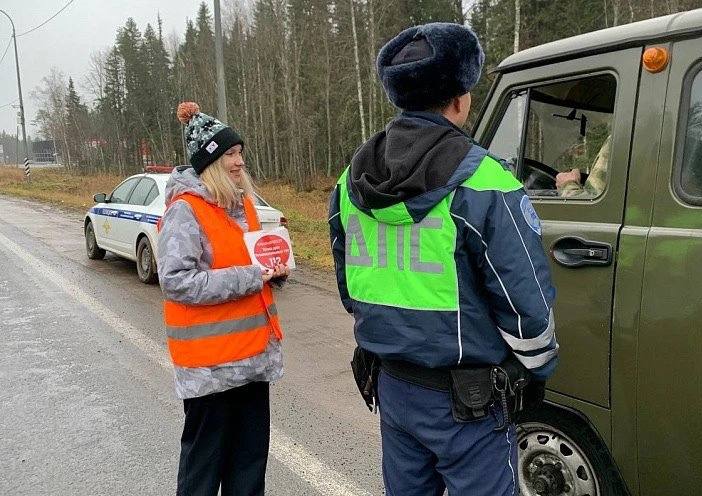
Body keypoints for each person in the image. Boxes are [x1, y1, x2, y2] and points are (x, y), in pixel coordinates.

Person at [328, 23, 558, 495]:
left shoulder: (351, 181)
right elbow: (526, 305)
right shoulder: (483, 180)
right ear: (459, 99)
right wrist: (538, 369)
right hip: (468, 403)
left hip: (392, 387)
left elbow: (350, 287)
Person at [157, 101, 288, 496]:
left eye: (240, 152)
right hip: (210, 370)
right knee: (202, 473)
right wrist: (250, 277)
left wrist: (276, 270)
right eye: (230, 154)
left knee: (248, 470)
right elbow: (176, 281)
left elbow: (254, 263)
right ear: (210, 162)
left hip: (252, 361)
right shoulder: (185, 211)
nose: (239, 161)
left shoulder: (244, 206)